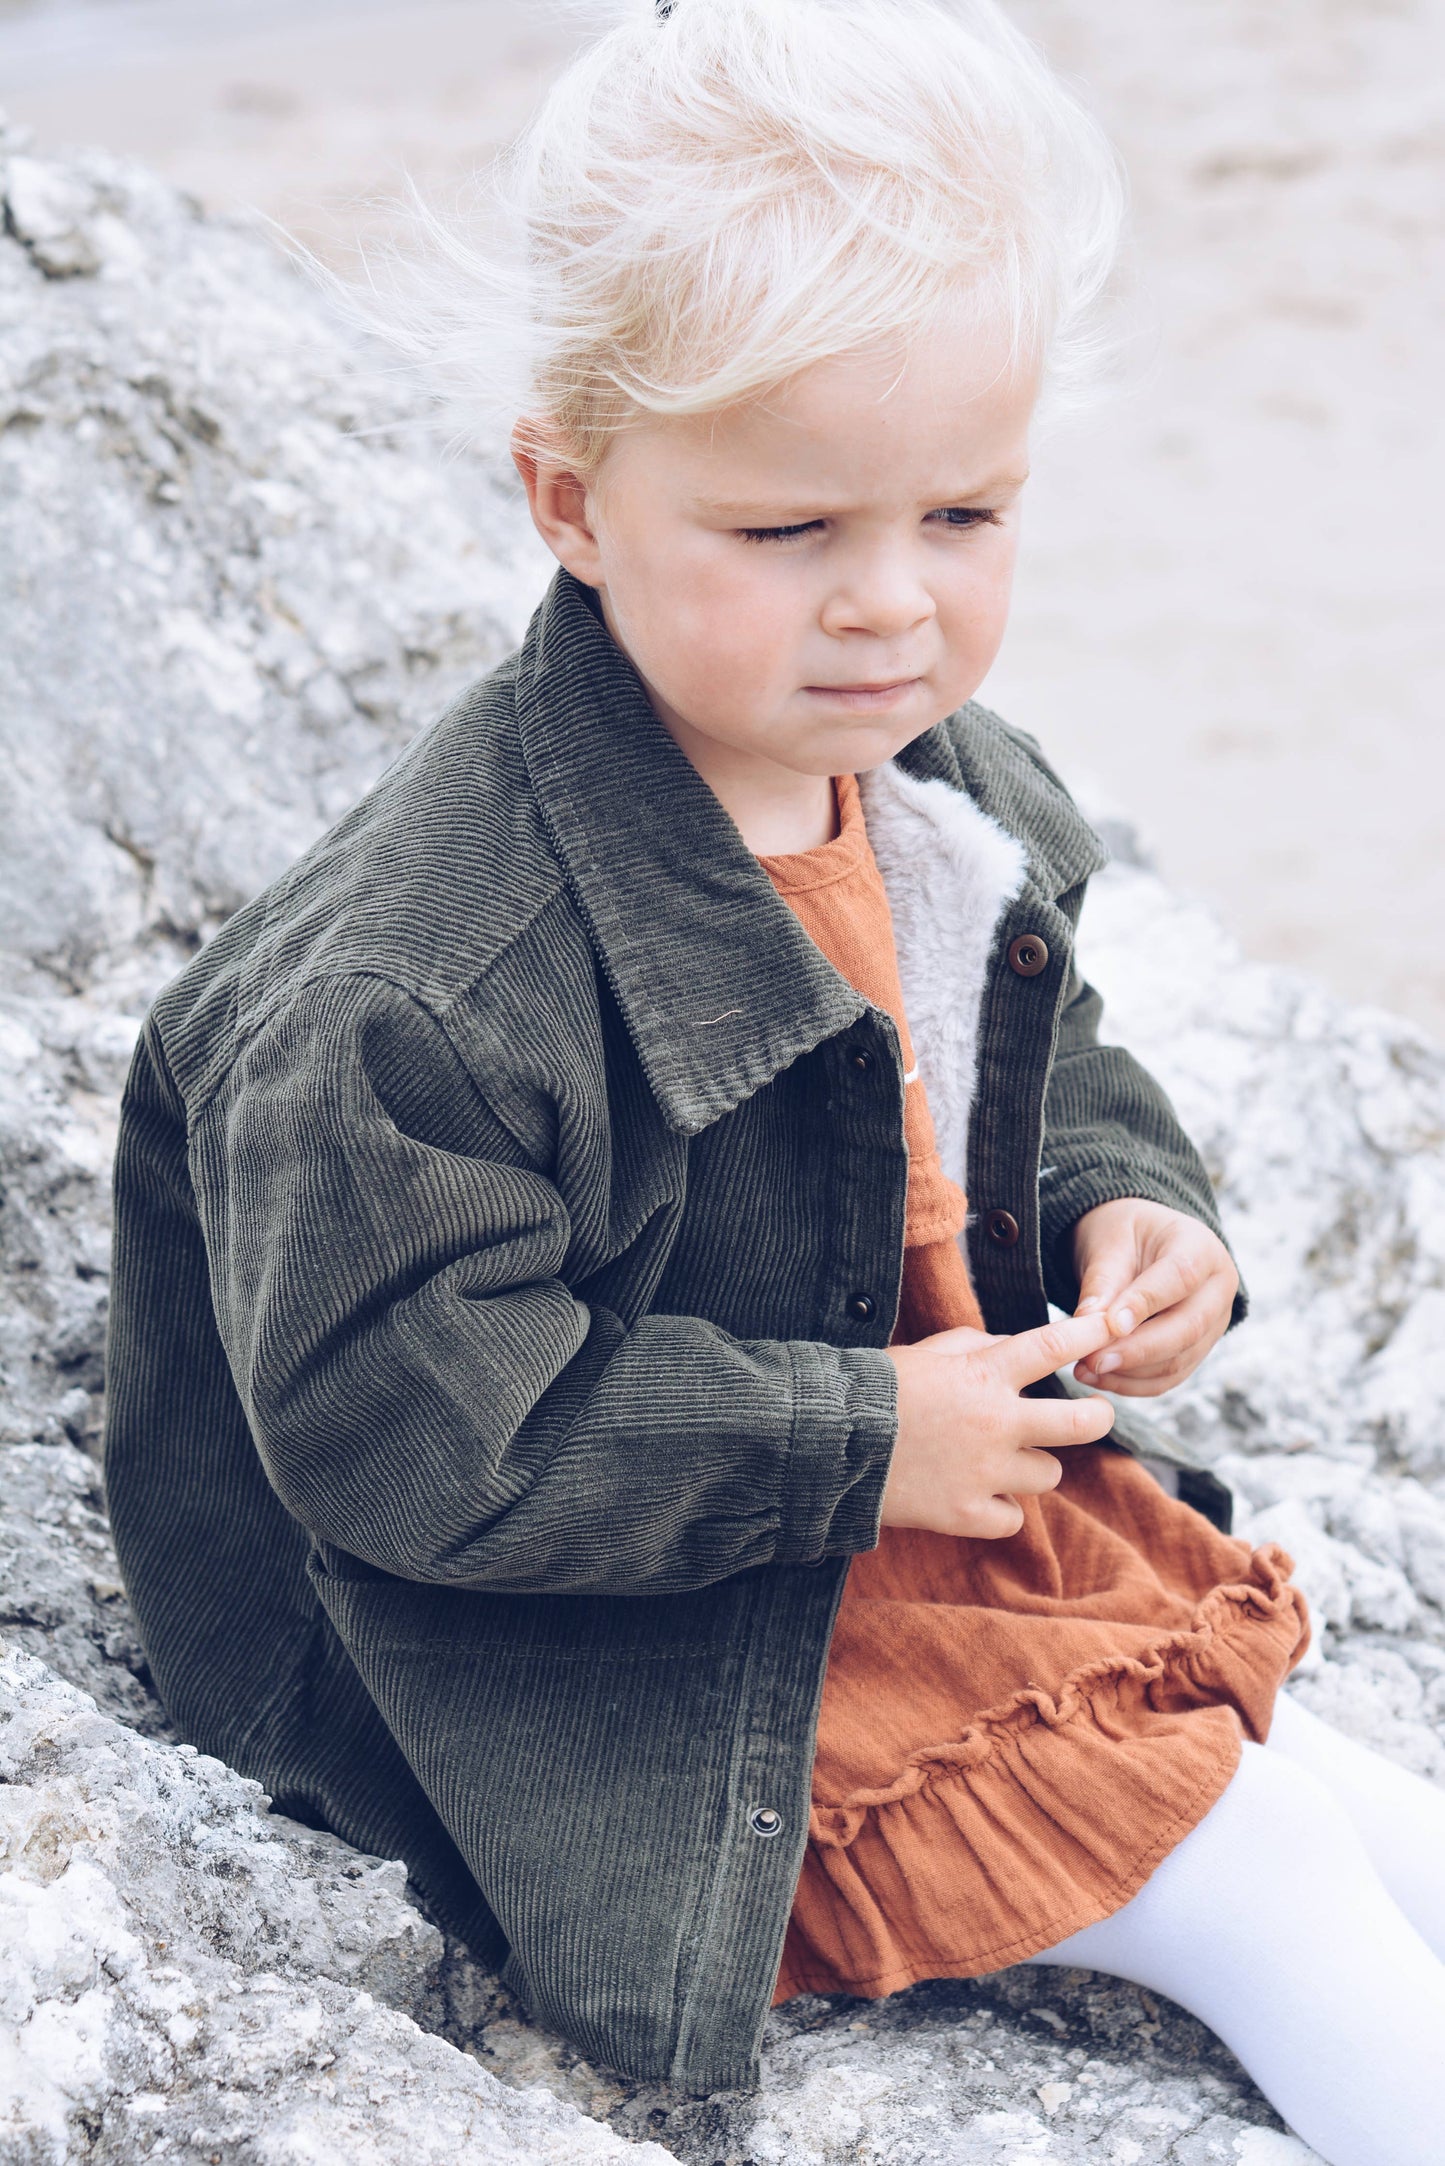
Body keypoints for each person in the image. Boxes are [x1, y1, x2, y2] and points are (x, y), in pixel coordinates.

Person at [102, 3, 1445, 2159]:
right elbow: (412, 1440)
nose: (890, 607)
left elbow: (1039, 1046)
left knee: (1342, 1791)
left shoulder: (921, 786)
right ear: (572, 499)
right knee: (1259, 1878)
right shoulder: (420, 991)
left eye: (965, 510)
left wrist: (1128, 1204)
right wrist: (856, 1440)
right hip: (557, 1629)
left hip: (846, 1478)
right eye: (789, 531)